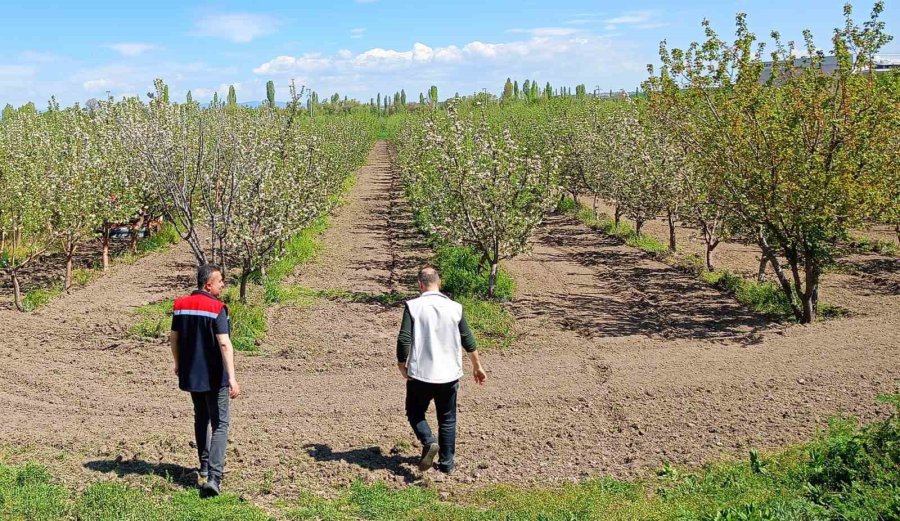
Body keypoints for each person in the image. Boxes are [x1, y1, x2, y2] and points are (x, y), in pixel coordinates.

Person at [396, 266, 487, 474]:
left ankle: (429, 441)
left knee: (415, 412)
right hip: (449, 374)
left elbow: (404, 339)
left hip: (421, 374)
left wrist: (402, 365)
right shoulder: (455, 307)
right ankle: (447, 465)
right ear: (440, 283)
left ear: (420, 285)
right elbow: (468, 339)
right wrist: (477, 366)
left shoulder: (413, 306)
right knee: (447, 419)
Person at [169, 264, 241, 497]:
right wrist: (232, 377)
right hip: (214, 375)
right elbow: (224, 343)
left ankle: (203, 467)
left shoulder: (180, 306)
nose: (223, 285)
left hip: (192, 374)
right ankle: (214, 477)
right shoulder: (217, 308)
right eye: (220, 281)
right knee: (220, 423)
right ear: (208, 284)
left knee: (201, 418)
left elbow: (173, 338)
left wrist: (179, 363)